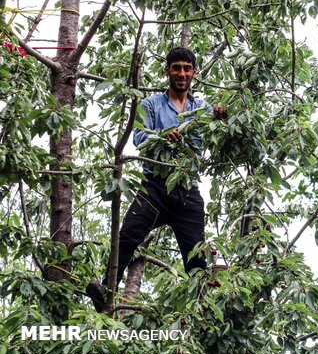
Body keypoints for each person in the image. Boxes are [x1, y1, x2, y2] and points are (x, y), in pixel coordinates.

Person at [86, 47, 227, 312]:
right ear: (167, 71)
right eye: (176, 68)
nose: (181, 73)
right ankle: (107, 290)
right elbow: (139, 138)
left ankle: (203, 308)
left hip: (187, 190)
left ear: (193, 73)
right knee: (128, 234)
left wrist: (221, 117)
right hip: (154, 188)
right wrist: (164, 136)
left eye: (186, 68)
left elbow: (216, 137)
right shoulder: (151, 104)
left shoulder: (202, 108)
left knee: (195, 255)